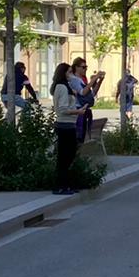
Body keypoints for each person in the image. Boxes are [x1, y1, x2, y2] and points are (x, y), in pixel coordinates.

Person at [51, 61, 81, 194]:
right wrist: (77, 112)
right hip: (65, 125)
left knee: (69, 155)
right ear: (63, 73)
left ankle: (66, 183)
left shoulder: (65, 86)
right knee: (65, 156)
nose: (71, 74)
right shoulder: (62, 87)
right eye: (69, 72)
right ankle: (60, 185)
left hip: (69, 124)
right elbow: (62, 109)